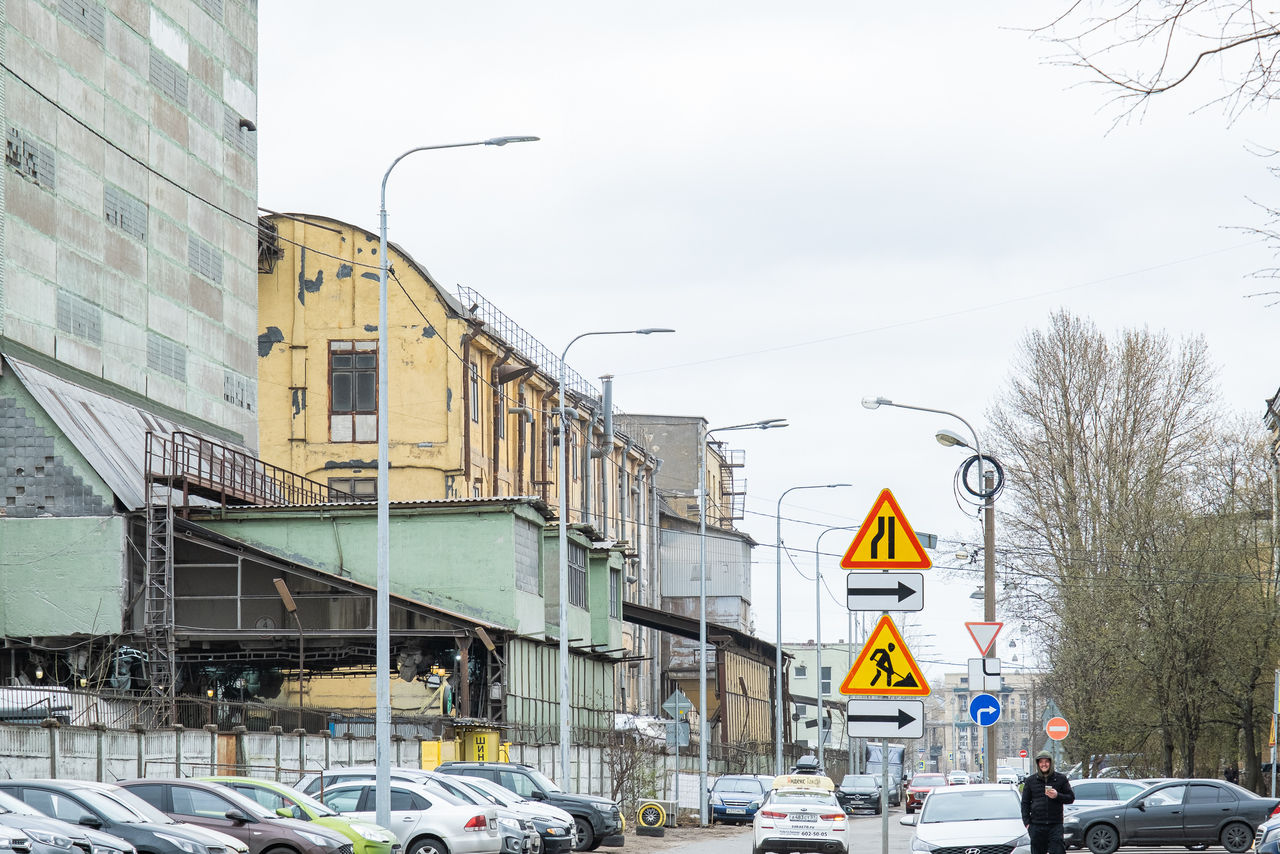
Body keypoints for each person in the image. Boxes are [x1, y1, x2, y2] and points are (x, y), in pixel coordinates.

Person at [1021, 750, 1075, 854]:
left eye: (1046, 762)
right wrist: (1027, 823)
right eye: (1041, 762)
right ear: (1038, 764)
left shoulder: (1061, 779)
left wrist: (1057, 795)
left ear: (1050, 763)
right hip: (1036, 826)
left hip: (1055, 825)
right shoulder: (1030, 781)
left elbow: (1070, 798)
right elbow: (1025, 803)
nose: (1044, 764)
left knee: (1058, 851)